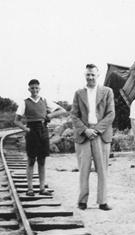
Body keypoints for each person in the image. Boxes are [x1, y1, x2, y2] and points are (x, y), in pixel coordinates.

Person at [70, 64, 115, 211]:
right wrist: (85, 130)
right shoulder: (78, 93)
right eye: (88, 74)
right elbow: (74, 115)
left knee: (102, 169)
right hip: (84, 135)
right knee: (84, 169)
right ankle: (82, 201)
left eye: (93, 75)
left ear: (98, 75)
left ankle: (102, 201)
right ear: (85, 75)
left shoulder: (107, 91)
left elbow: (110, 114)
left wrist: (96, 130)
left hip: (101, 135)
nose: (90, 77)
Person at [13, 79, 67, 197]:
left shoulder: (44, 100)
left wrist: (50, 115)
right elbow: (16, 121)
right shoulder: (25, 102)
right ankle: (30, 188)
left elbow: (63, 110)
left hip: (43, 130)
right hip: (31, 131)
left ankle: (42, 188)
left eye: (37, 88)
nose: (35, 90)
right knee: (31, 160)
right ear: (29, 89)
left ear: (39, 89)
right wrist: (26, 129)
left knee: (42, 161)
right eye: (32, 88)